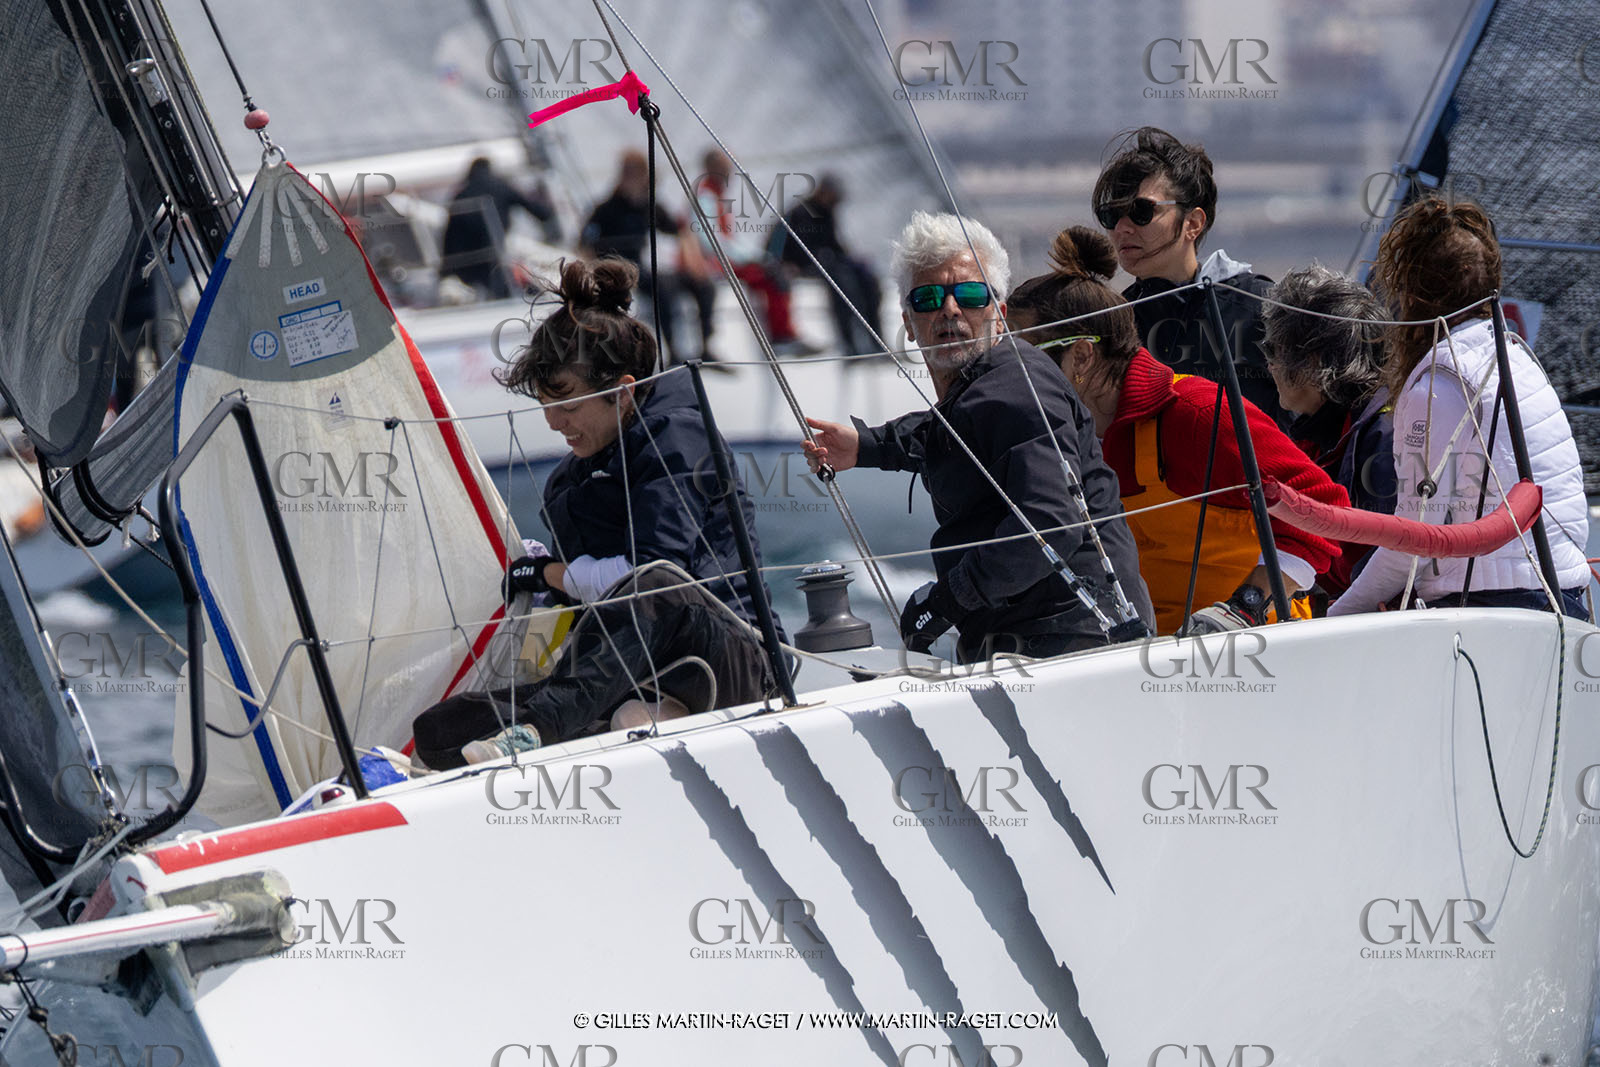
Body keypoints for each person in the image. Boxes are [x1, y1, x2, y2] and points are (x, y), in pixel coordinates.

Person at [411, 259, 784, 769]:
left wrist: (552, 573)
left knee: (656, 585)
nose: (552, 422)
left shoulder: (679, 438)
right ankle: (613, 721)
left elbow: (653, 576)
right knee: (437, 732)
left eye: (566, 406)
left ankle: (542, 729)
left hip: (740, 659)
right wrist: (542, 581)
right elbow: (582, 593)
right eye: (544, 404)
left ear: (623, 390)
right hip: (631, 669)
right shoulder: (573, 478)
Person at [802, 212, 1152, 662]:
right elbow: (953, 426)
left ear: (999, 315)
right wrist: (868, 445)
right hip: (1029, 639)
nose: (950, 309)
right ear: (909, 323)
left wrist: (946, 600)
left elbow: (1050, 524)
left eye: (969, 294)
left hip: (1075, 643)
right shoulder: (984, 389)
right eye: (928, 298)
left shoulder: (1017, 385)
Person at [1006, 227, 1348, 634]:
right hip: (1145, 660)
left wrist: (1246, 606)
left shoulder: (1197, 413)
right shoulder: (1063, 440)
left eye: (1022, 358)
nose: (1008, 376)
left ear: (1081, 356)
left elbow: (1324, 505)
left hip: (1257, 653)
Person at [1328, 197, 1590, 619]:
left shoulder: (1440, 386)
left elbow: (1414, 539)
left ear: (1412, 294)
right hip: (1563, 595)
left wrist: (1337, 617)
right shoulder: (1515, 356)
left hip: (1501, 605)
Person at [1092, 127, 1285, 426]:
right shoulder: (1115, 324)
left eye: (1141, 211)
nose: (1122, 228)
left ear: (1193, 223)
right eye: (1110, 215)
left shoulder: (1260, 306)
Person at [1260, 265, 1397, 600]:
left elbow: (1386, 568)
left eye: (1272, 349)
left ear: (1314, 361)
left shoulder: (1382, 439)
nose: (1268, 364)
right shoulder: (1318, 432)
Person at [580, 149, 707, 362]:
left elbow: (680, 230)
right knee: (663, 289)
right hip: (614, 273)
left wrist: (693, 258)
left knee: (703, 286)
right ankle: (672, 352)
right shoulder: (606, 209)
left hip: (639, 269)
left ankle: (706, 345)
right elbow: (584, 243)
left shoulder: (647, 205)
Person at [690, 149, 810, 357]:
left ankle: (785, 334)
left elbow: (727, 238)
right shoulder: (706, 197)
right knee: (772, 276)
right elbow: (710, 241)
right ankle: (782, 336)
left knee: (774, 270)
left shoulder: (716, 195)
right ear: (712, 169)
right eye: (725, 168)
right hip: (717, 264)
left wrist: (755, 255)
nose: (730, 173)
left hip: (725, 260)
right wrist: (749, 257)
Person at [768, 173, 885, 357]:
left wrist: (854, 260)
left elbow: (834, 245)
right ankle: (850, 346)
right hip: (801, 265)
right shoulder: (800, 212)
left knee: (867, 278)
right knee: (842, 282)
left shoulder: (827, 212)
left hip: (825, 263)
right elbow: (787, 247)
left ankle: (877, 341)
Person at [439, 156, 557, 300]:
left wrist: (444, 272)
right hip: (495, 254)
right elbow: (538, 211)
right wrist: (547, 210)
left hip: (469, 262)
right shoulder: (501, 186)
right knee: (502, 290)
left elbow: (449, 237)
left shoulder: (460, 195)